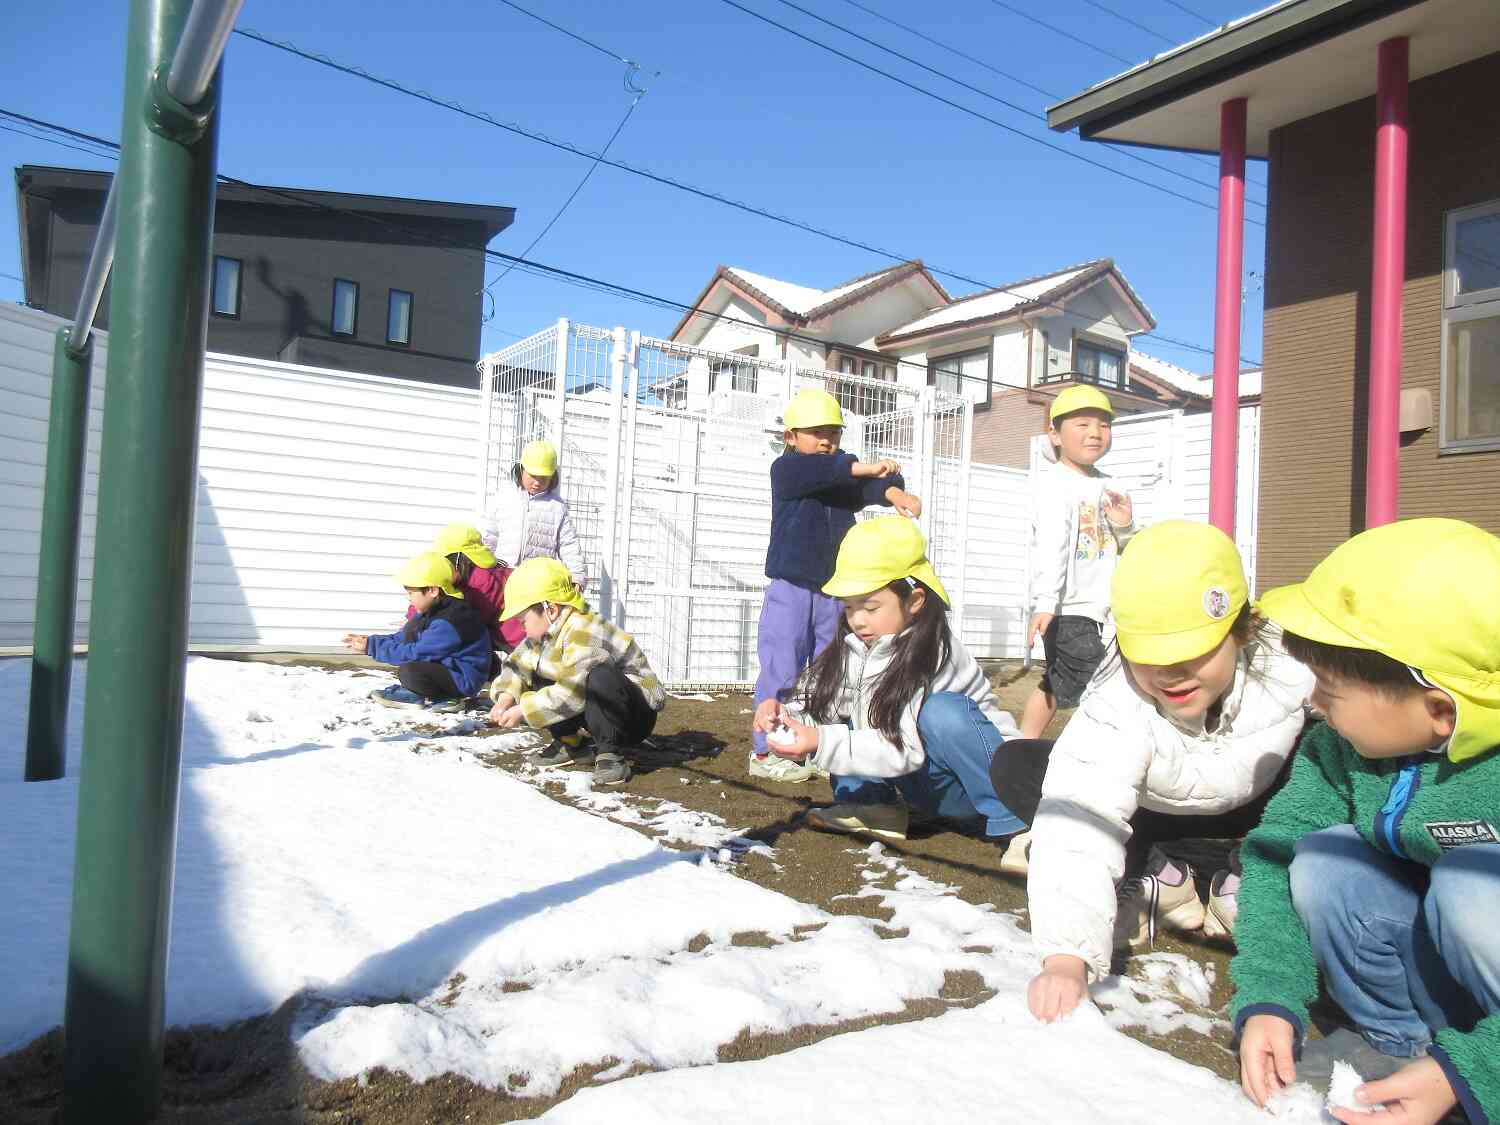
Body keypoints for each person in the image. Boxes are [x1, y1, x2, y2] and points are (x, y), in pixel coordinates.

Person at [1231, 518, 1500, 1125]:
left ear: (1439, 709)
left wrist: (1479, 1071)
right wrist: (1269, 995)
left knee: (1471, 883)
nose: (1314, 703)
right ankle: (1404, 1049)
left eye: (1330, 690)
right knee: (1325, 861)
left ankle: (1465, 1079)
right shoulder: (1339, 749)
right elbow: (1274, 855)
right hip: (1451, 989)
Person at [1025, 520, 1313, 1025]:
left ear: (1240, 629)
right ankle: (1164, 873)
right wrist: (1067, 957)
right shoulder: (1117, 701)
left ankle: (1250, 874)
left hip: (1259, 810)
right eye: (1149, 654)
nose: (1170, 673)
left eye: (1193, 651)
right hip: (1162, 811)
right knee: (1029, 768)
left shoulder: (1292, 665)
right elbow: (1080, 811)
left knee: (1327, 747)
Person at [754, 516, 1034, 843]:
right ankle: (872, 805)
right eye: (849, 608)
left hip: (976, 784)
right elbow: (821, 704)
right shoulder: (855, 648)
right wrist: (787, 718)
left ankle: (1017, 822)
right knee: (847, 706)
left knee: (942, 712)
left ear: (914, 601)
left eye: (870, 607)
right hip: (923, 784)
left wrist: (819, 740)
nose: (857, 620)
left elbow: (903, 748)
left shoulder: (934, 652)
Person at [750, 388, 922, 784]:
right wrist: (868, 467)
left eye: (833, 432)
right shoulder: (787, 470)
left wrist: (894, 491)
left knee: (830, 670)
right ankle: (765, 750)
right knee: (781, 666)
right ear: (790, 436)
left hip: (834, 591)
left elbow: (866, 486)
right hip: (791, 587)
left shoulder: (842, 472)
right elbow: (831, 472)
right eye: (816, 432)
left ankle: (812, 744)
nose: (826, 440)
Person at [1020, 385, 1136, 740]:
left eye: (1104, 425)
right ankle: (1094, 749)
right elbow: (1052, 546)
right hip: (1066, 606)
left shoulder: (1112, 486)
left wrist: (1125, 525)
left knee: (1057, 679)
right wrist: (1045, 602)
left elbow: (1128, 547)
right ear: (1055, 435)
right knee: (1099, 679)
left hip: (1103, 608)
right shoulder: (1055, 484)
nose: (1095, 433)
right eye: (1083, 424)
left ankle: (1021, 744)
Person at [486, 557, 665, 787]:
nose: (523, 629)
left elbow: (572, 692)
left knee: (599, 676)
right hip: (597, 706)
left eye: (523, 621)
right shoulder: (547, 632)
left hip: (634, 713)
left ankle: (610, 754)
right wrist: (505, 697)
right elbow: (517, 665)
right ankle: (571, 743)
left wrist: (523, 710)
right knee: (538, 671)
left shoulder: (586, 631)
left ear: (550, 609)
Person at [344, 551, 492, 711]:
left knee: (410, 672)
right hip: (449, 669)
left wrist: (372, 648)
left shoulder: (451, 620)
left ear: (432, 591)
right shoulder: (429, 612)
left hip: (463, 679)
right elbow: (403, 637)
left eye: (411, 593)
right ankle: (421, 693)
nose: (408, 598)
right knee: (410, 663)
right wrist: (371, 642)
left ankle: (447, 698)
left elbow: (417, 653)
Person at [480, 439, 586, 652]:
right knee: (499, 620)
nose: (537, 482)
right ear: (520, 470)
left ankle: (525, 660)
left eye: (544, 478)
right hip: (504, 573)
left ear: (553, 477)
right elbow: (489, 535)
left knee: (525, 628)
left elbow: (568, 543)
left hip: (536, 581)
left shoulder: (556, 507)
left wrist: (577, 575)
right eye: (532, 475)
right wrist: (484, 564)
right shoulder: (504, 498)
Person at [421, 523, 510, 663]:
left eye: (448, 559)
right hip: (498, 635)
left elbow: (469, 623)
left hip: (515, 637)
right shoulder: (464, 578)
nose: (444, 565)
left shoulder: (482, 581)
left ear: (460, 559)